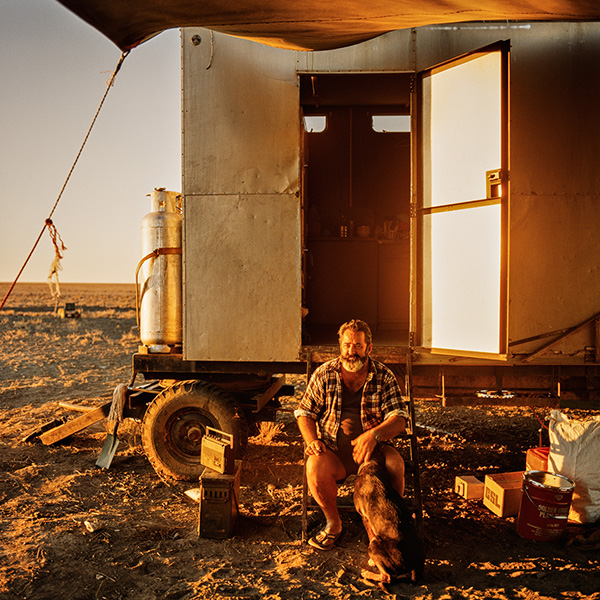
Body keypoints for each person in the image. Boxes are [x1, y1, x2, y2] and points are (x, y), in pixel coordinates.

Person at [295, 319, 408, 551]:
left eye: (358, 345)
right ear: (340, 345)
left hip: (372, 454)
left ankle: (387, 526)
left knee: (396, 464)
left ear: (369, 347)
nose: (351, 351)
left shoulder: (384, 376)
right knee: (314, 466)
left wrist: (374, 436)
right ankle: (333, 524)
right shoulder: (324, 373)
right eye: (347, 345)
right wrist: (312, 440)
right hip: (334, 451)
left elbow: (399, 418)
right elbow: (304, 412)